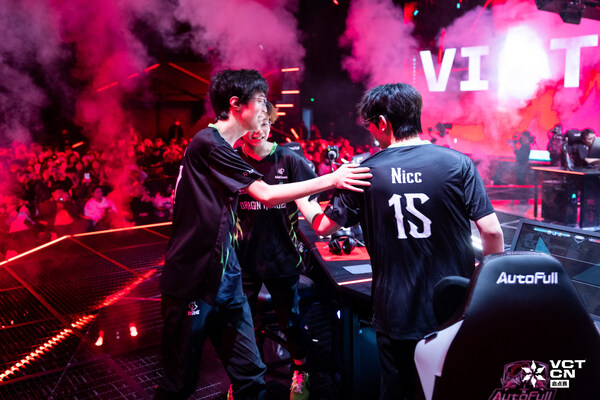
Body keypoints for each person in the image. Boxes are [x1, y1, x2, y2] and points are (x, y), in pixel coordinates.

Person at [155, 69, 371, 400]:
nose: (265, 109)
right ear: (236, 105)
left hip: (229, 275)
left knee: (252, 377)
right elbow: (267, 194)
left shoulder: (261, 154)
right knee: (179, 385)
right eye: (260, 100)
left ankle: (297, 371)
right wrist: (334, 178)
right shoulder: (209, 145)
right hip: (193, 279)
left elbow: (307, 209)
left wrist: (335, 215)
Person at [312, 83, 504, 400]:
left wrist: (302, 197)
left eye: (369, 124)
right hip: (452, 307)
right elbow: (493, 232)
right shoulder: (458, 163)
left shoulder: (364, 172)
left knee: (398, 391)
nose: (370, 132)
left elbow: (323, 227)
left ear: (382, 122)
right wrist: (488, 289)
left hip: (395, 310)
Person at [236, 102, 321, 399]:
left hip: (282, 259)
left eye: (264, 123)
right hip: (242, 260)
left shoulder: (289, 159)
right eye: (251, 125)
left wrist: (323, 221)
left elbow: (310, 200)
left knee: (291, 322)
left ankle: (301, 371)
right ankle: (244, 380)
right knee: (241, 327)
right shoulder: (232, 160)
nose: (257, 131)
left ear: (271, 124)